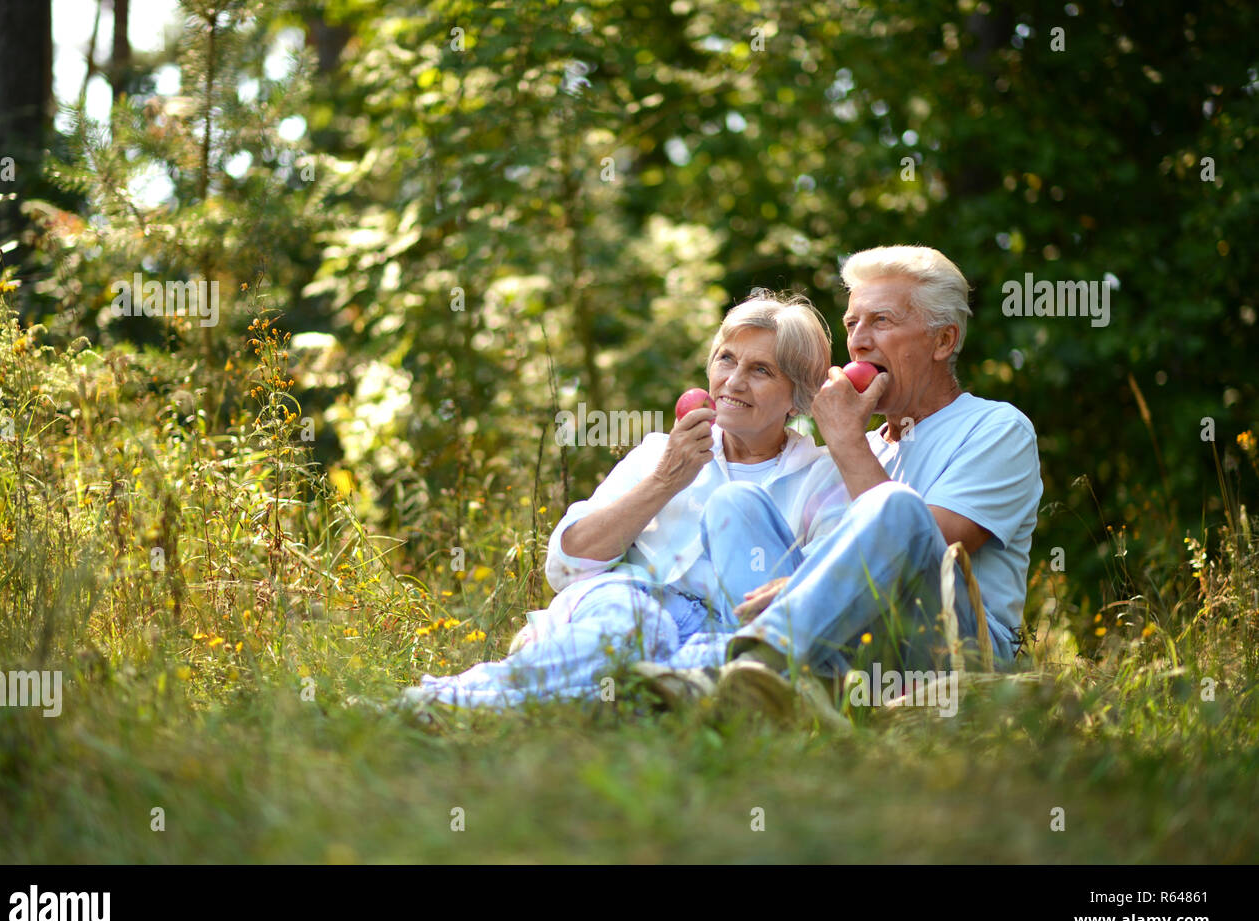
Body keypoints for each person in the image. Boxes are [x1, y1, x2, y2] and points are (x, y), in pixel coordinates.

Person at [399, 290, 847, 709]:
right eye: (726, 359)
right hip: (628, 603)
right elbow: (565, 566)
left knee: (656, 687)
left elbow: (828, 596)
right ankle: (447, 700)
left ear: (799, 395)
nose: (733, 380)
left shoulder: (821, 476)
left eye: (761, 370)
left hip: (722, 635)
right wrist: (664, 481)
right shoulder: (660, 451)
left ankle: (497, 705)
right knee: (633, 626)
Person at [656, 246, 1044, 718]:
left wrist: (843, 440)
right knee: (736, 503)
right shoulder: (866, 446)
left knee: (898, 507)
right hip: (860, 648)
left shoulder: (997, 429)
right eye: (851, 324)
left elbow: (924, 553)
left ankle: (749, 664)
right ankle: (765, 695)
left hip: (956, 652)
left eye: (881, 321)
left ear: (943, 341)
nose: (858, 342)